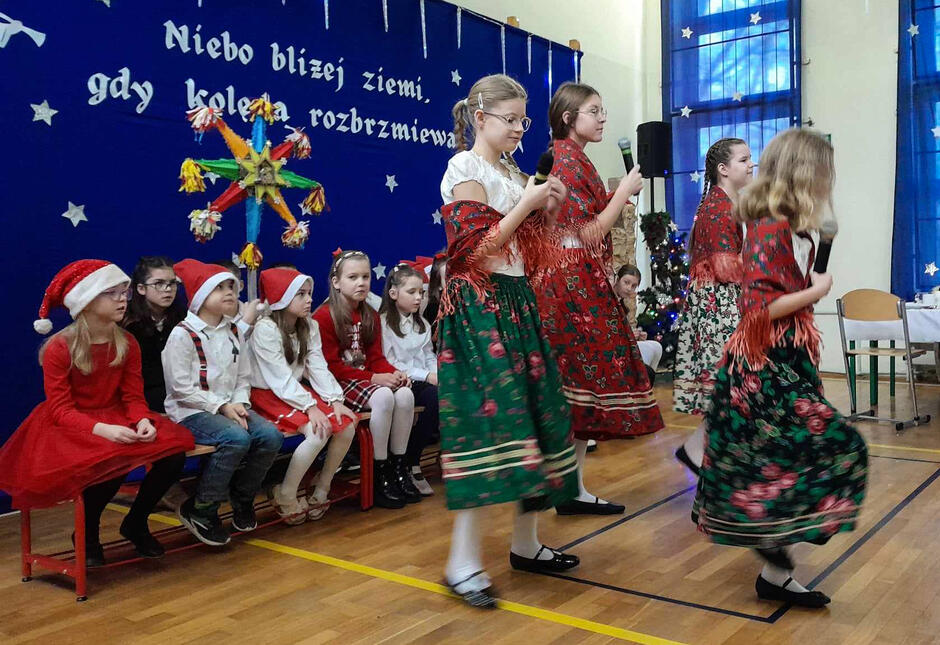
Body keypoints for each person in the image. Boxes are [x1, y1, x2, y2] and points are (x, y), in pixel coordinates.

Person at [691, 128, 867, 608]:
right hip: (765, 363)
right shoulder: (770, 224)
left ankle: (775, 571)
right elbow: (757, 310)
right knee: (835, 446)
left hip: (787, 356)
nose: (829, 181)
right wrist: (816, 291)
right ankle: (771, 553)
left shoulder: (786, 222)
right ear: (805, 172)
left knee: (786, 460)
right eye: (824, 172)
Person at [438, 74, 579, 608]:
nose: (521, 128)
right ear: (481, 119)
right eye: (511, 119)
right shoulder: (464, 169)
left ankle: (527, 544)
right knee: (493, 429)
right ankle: (461, 562)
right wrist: (527, 203)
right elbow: (474, 252)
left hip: (517, 302)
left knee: (540, 419)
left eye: (524, 119)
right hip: (479, 307)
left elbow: (529, 249)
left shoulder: (514, 173)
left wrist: (547, 208)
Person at [0, 259, 193, 566]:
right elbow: (60, 409)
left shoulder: (127, 341)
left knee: (172, 455)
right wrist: (103, 429)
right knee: (109, 460)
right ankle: (87, 535)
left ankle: (136, 521)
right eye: (112, 294)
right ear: (87, 302)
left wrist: (142, 419)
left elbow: (132, 396)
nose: (122, 300)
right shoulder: (60, 348)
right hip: (72, 425)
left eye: (124, 293)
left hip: (116, 414)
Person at [538, 82, 664, 516]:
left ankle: (571, 488)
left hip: (578, 280)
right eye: (595, 111)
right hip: (569, 286)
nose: (603, 118)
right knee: (573, 388)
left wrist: (617, 196)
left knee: (579, 393)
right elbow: (586, 234)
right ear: (570, 118)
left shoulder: (576, 159)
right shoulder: (565, 162)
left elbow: (589, 226)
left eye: (604, 110)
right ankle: (558, 488)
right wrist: (623, 194)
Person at [163, 259, 283, 546]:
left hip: (229, 406)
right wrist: (221, 406)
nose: (229, 292)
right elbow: (181, 388)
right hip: (191, 410)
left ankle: (242, 497)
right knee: (236, 438)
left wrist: (240, 402)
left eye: (231, 286)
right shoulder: (182, 334)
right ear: (202, 296)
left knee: (270, 435)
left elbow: (243, 376)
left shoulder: (234, 331)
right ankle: (202, 508)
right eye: (220, 287)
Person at [248, 268, 358, 523]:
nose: (309, 299)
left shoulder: (309, 325)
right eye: (300, 294)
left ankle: (322, 487)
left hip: (295, 392)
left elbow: (317, 365)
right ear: (282, 298)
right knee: (318, 430)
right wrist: (310, 407)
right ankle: (285, 494)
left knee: (347, 425)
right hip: (269, 393)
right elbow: (278, 378)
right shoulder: (265, 328)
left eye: (308, 293)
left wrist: (335, 400)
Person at [672, 138, 753, 474]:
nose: (751, 164)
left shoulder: (724, 204)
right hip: (719, 307)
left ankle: (705, 454)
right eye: (744, 159)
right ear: (723, 169)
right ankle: (703, 454)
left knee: (734, 389)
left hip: (722, 303)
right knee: (732, 386)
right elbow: (724, 267)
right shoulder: (719, 208)